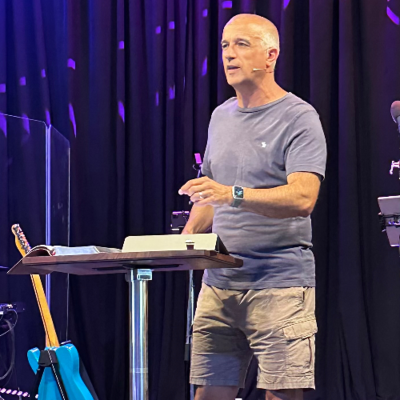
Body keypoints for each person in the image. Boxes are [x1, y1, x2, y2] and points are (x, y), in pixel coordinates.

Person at [179, 13, 327, 400]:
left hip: (279, 283)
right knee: (209, 393)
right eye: (225, 46)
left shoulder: (299, 117)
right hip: (219, 285)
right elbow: (210, 196)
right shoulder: (220, 116)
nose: (229, 54)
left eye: (241, 44)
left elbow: (303, 198)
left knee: (282, 392)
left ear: (270, 55)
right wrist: (184, 243)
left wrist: (233, 194)